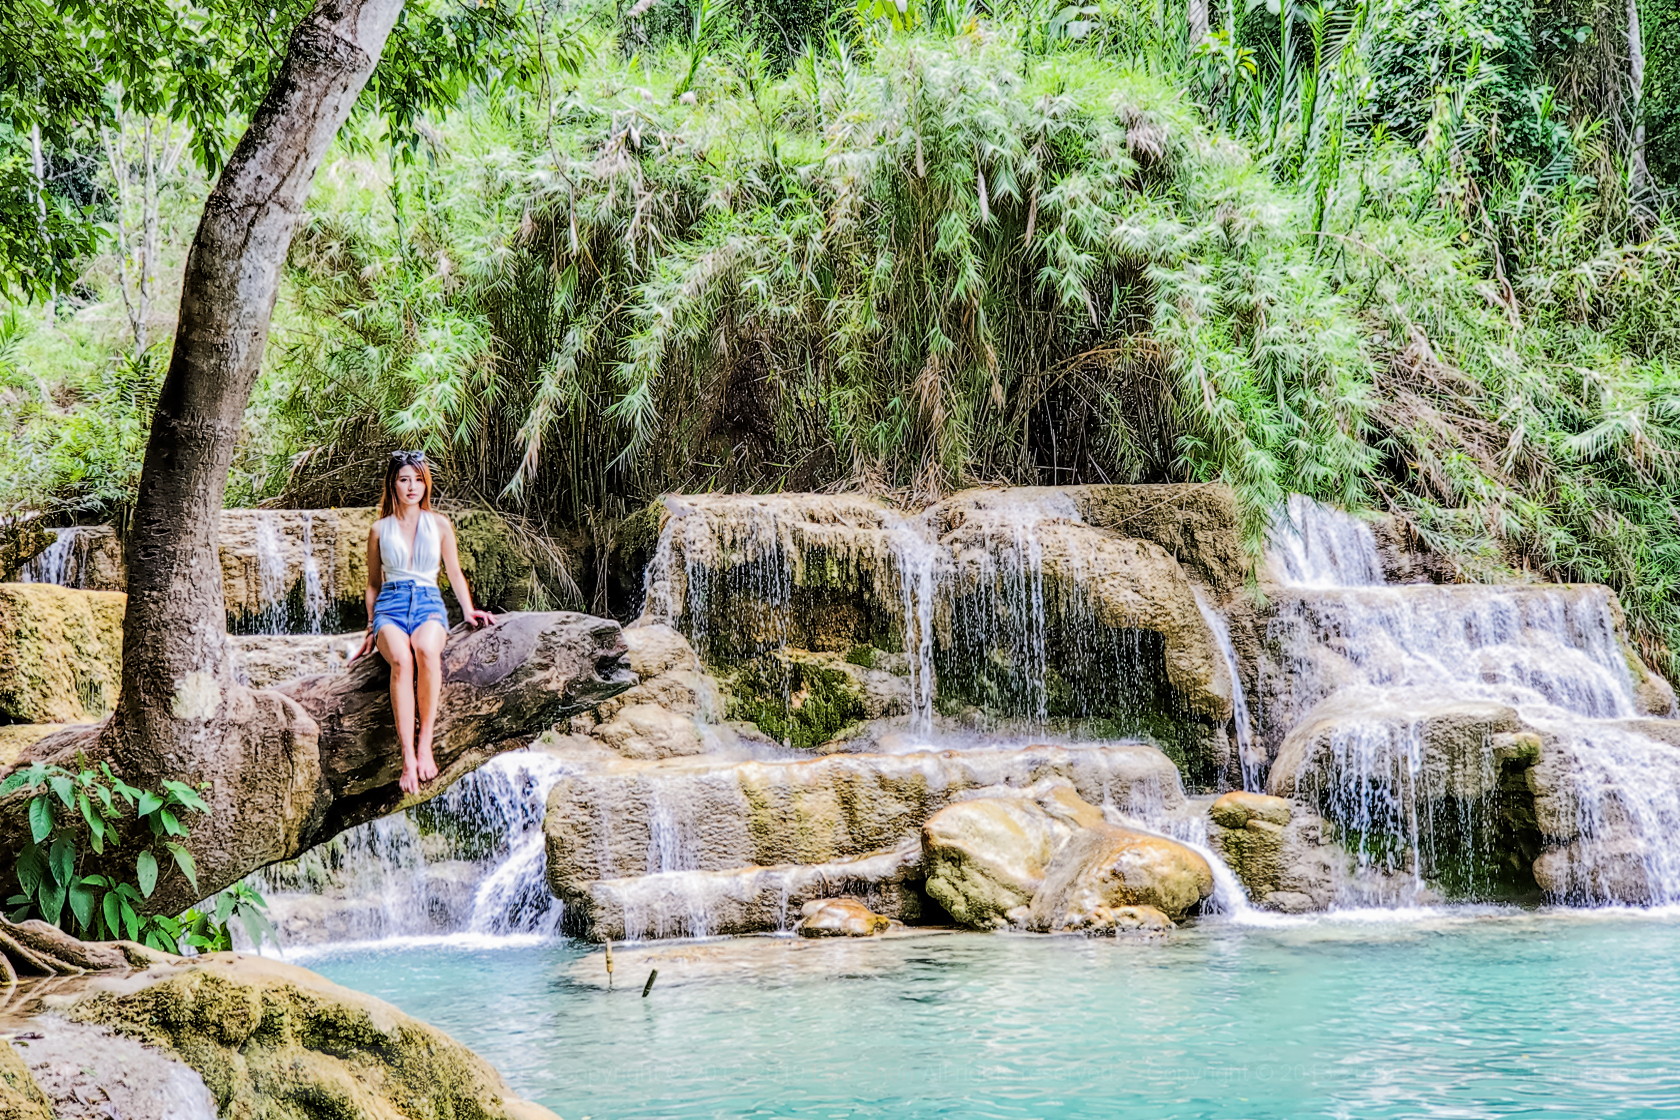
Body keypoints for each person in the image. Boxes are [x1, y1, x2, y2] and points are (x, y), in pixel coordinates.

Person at [352, 450, 497, 794]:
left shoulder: (440, 524)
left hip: (428, 602)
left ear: (426, 484)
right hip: (391, 604)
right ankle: (407, 759)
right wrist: (372, 626)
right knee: (401, 661)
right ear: (393, 485)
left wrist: (468, 610)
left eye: (418, 479)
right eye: (404, 479)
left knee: (426, 651)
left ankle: (424, 744)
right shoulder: (378, 530)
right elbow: (373, 585)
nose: (412, 486)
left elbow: (455, 573)